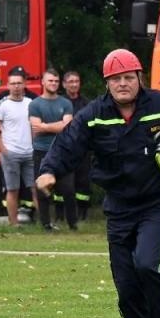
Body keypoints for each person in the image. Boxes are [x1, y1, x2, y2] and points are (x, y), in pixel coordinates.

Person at [36, 48, 160, 318]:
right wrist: (49, 171)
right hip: (119, 206)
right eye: (116, 79)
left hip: (158, 201)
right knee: (126, 291)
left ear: (139, 78)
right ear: (107, 83)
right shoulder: (95, 114)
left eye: (128, 77)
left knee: (147, 264)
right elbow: (69, 143)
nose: (123, 84)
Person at [28, 68, 75, 231]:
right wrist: (57, 125)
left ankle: (72, 224)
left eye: (56, 81)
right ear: (42, 82)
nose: (53, 84)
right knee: (42, 189)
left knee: (68, 189)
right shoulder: (35, 104)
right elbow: (35, 127)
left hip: (62, 152)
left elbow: (68, 126)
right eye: (50, 81)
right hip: (41, 151)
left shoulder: (65, 103)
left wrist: (45, 126)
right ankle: (46, 224)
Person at [0, 69, 37, 227]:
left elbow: (34, 127)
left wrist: (34, 146)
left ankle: (43, 222)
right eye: (13, 83)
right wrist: (4, 151)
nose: (16, 86)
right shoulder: (2, 105)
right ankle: (14, 223)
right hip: (11, 154)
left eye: (19, 83)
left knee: (36, 188)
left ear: (25, 84)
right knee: (13, 190)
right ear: (7, 85)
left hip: (29, 153)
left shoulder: (31, 104)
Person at [62, 70, 94, 218]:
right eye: (71, 82)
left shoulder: (87, 103)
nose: (74, 85)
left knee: (83, 182)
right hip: (64, 148)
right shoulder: (60, 102)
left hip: (83, 148)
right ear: (64, 84)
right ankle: (61, 214)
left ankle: (82, 213)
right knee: (63, 182)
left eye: (76, 82)